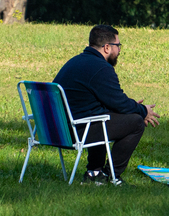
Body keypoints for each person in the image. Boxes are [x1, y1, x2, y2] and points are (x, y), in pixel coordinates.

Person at [54, 24, 161, 185]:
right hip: (75, 131)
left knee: (102, 116)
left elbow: (113, 102)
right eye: (118, 46)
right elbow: (120, 104)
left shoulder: (74, 62)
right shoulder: (101, 68)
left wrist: (129, 106)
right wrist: (142, 110)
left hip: (55, 129)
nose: (119, 50)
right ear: (106, 47)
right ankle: (110, 175)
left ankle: (94, 171)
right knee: (136, 123)